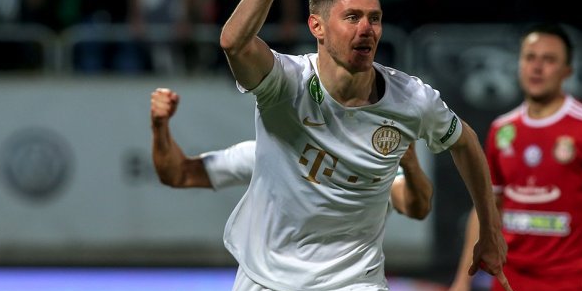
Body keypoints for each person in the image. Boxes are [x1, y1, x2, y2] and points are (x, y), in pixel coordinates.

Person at [212, 0, 510, 291]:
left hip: (352, 287)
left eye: (374, 18)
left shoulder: (411, 99)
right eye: (352, 17)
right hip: (265, 279)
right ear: (317, 26)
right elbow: (233, 43)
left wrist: (490, 231)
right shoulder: (286, 83)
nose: (366, 29)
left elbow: (466, 142)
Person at [447, 23, 582, 291]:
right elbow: (486, 208)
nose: (537, 67)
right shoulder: (503, 129)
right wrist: (463, 280)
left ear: (567, 71)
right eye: (530, 58)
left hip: (569, 286)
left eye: (549, 60)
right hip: (510, 283)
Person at [150, 87, 433, 219]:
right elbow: (179, 174)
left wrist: (410, 164)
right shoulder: (265, 156)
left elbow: (416, 208)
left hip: (346, 290)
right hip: (276, 286)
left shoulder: (370, 166)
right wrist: (159, 127)